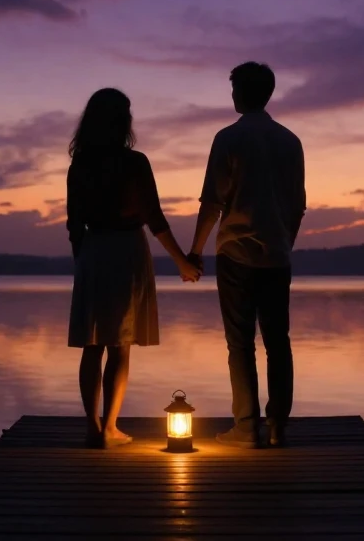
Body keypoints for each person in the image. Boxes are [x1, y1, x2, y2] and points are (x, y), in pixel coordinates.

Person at [66, 87, 202, 448]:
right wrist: (182, 261)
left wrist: (83, 259)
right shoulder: (134, 162)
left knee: (92, 344)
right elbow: (153, 217)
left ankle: (93, 427)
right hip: (126, 250)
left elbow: (74, 224)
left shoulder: (80, 164)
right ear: (122, 120)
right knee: (119, 344)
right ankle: (109, 427)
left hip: (93, 250)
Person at [188, 62, 305, 448]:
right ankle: (278, 427)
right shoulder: (290, 142)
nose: (232, 94)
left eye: (234, 87)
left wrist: (195, 249)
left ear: (243, 93)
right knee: (278, 341)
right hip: (277, 255)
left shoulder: (228, 139)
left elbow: (212, 203)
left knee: (240, 344)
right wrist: (285, 242)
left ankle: (245, 427)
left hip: (236, 254)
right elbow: (296, 206)